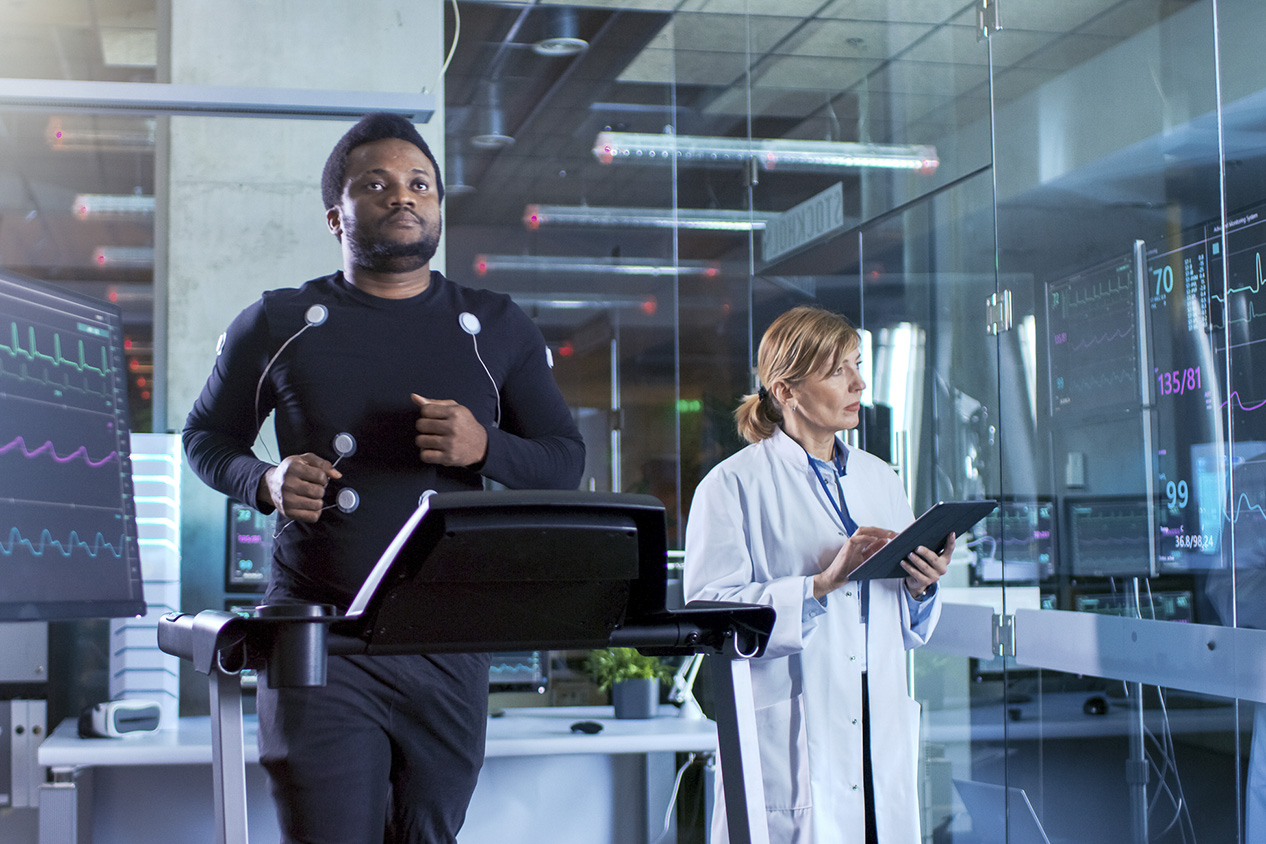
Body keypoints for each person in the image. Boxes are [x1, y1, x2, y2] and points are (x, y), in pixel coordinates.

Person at [183, 112, 585, 844]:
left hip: (448, 637)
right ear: (337, 215)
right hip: (316, 636)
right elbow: (205, 439)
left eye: (419, 184)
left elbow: (564, 458)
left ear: (437, 207)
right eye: (377, 184)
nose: (403, 196)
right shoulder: (276, 322)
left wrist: (483, 447)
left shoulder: (495, 325)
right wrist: (265, 481)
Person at [683, 305, 951, 844]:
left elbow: (900, 624)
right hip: (796, 737)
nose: (858, 382)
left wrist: (922, 587)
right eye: (837, 371)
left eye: (856, 364)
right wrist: (819, 585)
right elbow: (709, 613)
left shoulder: (882, 478)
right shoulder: (732, 485)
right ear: (786, 390)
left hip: (878, 730)